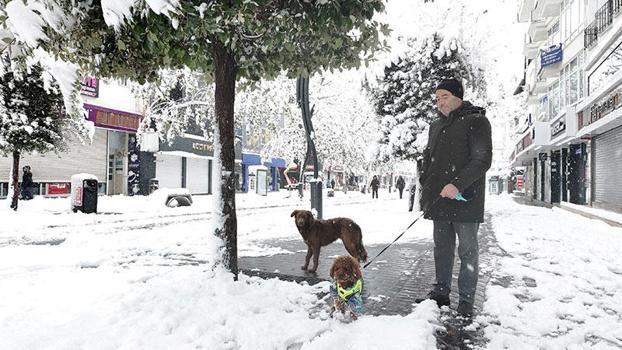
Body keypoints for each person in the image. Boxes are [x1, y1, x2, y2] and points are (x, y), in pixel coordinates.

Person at [415, 78, 492, 318]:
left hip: (465, 200)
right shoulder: (436, 126)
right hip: (439, 199)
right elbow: (429, 160)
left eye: (444, 96)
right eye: (437, 98)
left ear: (458, 95)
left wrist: (456, 184)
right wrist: (426, 185)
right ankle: (441, 292)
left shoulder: (477, 121)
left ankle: (467, 301)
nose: (439, 102)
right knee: (442, 248)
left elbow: (482, 160)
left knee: (468, 251)